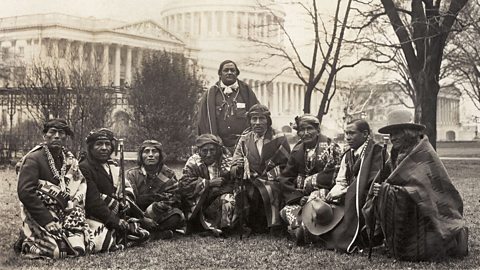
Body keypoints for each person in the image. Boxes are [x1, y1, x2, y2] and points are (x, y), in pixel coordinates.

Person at [363, 110, 468, 261]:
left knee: (388, 195)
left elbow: (425, 192)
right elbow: (383, 179)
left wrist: (386, 190)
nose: (393, 138)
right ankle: (389, 240)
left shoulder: (422, 153)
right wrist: (379, 189)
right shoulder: (395, 154)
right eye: (391, 134)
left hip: (427, 217)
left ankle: (408, 246)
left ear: (408, 132)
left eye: (397, 132)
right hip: (409, 209)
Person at [16, 119, 94, 258]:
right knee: (57, 252)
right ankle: (26, 242)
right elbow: (26, 192)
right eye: (52, 132)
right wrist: (47, 220)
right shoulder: (34, 158)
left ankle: (65, 235)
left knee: (78, 249)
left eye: (61, 132)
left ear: (66, 137)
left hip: (67, 212)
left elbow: (81, 184)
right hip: (41, 214)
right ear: (44, 136)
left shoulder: (69, 160)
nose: (57, 136)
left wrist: (73, 204)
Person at [308, 119, 384, 252]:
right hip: (349, 195)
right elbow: (341, 181)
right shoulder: (348, 154)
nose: (348, 137)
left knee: (339, 232)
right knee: (319, 199)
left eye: (352, 133)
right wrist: (334, 193)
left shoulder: (376, 152)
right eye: (346, 133)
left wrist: (345, 193)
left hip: (367, 196)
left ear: (365, 134)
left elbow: (371, 181)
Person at [80, 128, 149, 252]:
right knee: (105, 241)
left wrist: (124, 203)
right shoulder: (84, 167)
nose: (104, 148)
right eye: (99, 144)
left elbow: (123, 190)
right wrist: (115, 221)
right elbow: (93, 201)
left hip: (114, 212)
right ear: (90, 147)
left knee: (142, 230)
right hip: (95, 215)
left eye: (107, 144)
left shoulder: (113, 166)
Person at [278, 114, 342, 245]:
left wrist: (310, 184)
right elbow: (286, 176)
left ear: (318, 130)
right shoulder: (297, 150)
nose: (306, 133)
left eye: (309, 129)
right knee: (286, 210)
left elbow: (336, 174)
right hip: (301, 195)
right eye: (302, 130)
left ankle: (309, 230)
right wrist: (297, 196)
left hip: (325, 194)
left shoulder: (331, 148)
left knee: (317, 207)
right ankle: (302, 227)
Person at [231, 104, 291, 235]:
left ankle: (274, 226)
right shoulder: (245, 138)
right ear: (249, 121)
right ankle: (245, 225)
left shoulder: (279, 138)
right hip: (250, 180)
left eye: (261, 118)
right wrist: (238, 166)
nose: (257, 123)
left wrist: (267, 177)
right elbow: (234, 162)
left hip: (273, 180)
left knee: (269, 189)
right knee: (241, 191)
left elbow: (287, 165)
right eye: (254, 118)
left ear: (268, 121)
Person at [126, 140, 186, 240]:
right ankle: (156, 234)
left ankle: (146, 233)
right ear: (141, 155)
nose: (150, 155)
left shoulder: (168, 174)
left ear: (160, 155)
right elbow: (130, 200)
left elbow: (174, 198)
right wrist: (143, 218)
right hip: (137, 214)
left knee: (177, 216)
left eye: (154, 151)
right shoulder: (132, 174)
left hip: (158, 214)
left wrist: (154, 208)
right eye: (146, 151)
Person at [179, 134, 236, 236]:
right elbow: (184, 186)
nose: (209, 154)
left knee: (229, 199)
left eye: (212, 150)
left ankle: (224, 228)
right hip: (199, 205)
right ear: (199, 151)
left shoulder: (226, 161)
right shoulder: (193, 162)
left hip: (217, 202)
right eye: (205, 151)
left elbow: (232, 183)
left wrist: (217, 192)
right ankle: (203, 226)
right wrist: (208, 184)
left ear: (218, 150)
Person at [197, 60, 259, 152]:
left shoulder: (246, 91)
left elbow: (257, 113)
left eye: (232, 70)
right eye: (226, 70)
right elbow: (203, 120)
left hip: (244, 145)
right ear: (220, 73)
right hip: (218, 145)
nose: (229, 73)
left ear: (237, 73)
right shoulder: (211, 93)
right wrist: (213, 138)